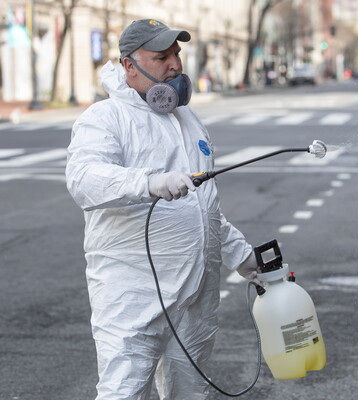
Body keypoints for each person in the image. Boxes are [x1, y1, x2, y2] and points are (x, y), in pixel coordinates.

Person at [65, 19, 259, 400]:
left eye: (176, 54)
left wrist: (243, 256)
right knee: (124, 391)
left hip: (195, 298)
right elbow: (83, 179)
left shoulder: (188, 120)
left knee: (191, 392)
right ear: (129, 66)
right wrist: (147, 182)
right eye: (161, 57)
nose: (175, 65)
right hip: (133, 294)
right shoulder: (105, 119)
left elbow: (206, 207)